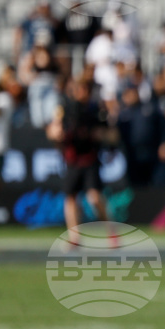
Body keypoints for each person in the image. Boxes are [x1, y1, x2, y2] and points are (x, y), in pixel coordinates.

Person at [46, 77, 114, 245]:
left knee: (95, 197)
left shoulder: (95, 109)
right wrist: (56, 133)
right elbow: (53, 130)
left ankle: (111, 231)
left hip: (89, 159)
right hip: (72, 159)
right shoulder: (65, 109)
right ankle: (74, 237)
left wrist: (98, 135)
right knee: (70, 198)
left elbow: (110, 133)